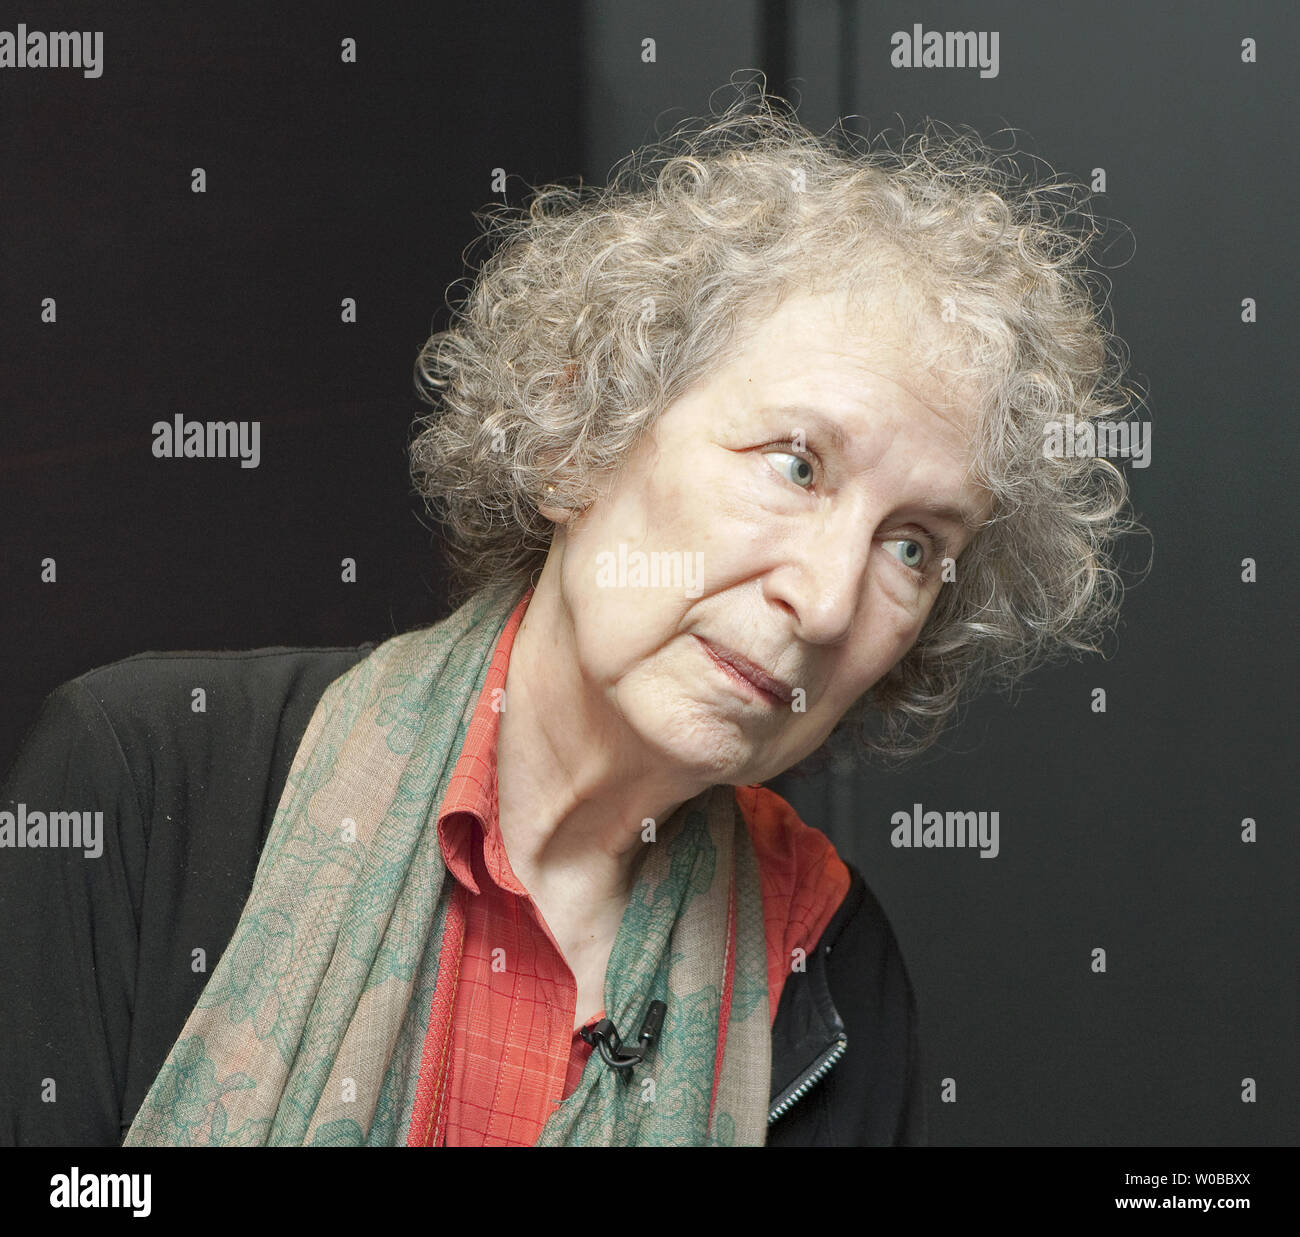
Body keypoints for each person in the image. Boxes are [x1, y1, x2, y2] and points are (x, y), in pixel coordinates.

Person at [0, 87, 1135, 1147]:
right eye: (794, 464)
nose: (828, 599)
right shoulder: (141, 780)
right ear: (571, 434)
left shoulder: (830, 958)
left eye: (912, 546)